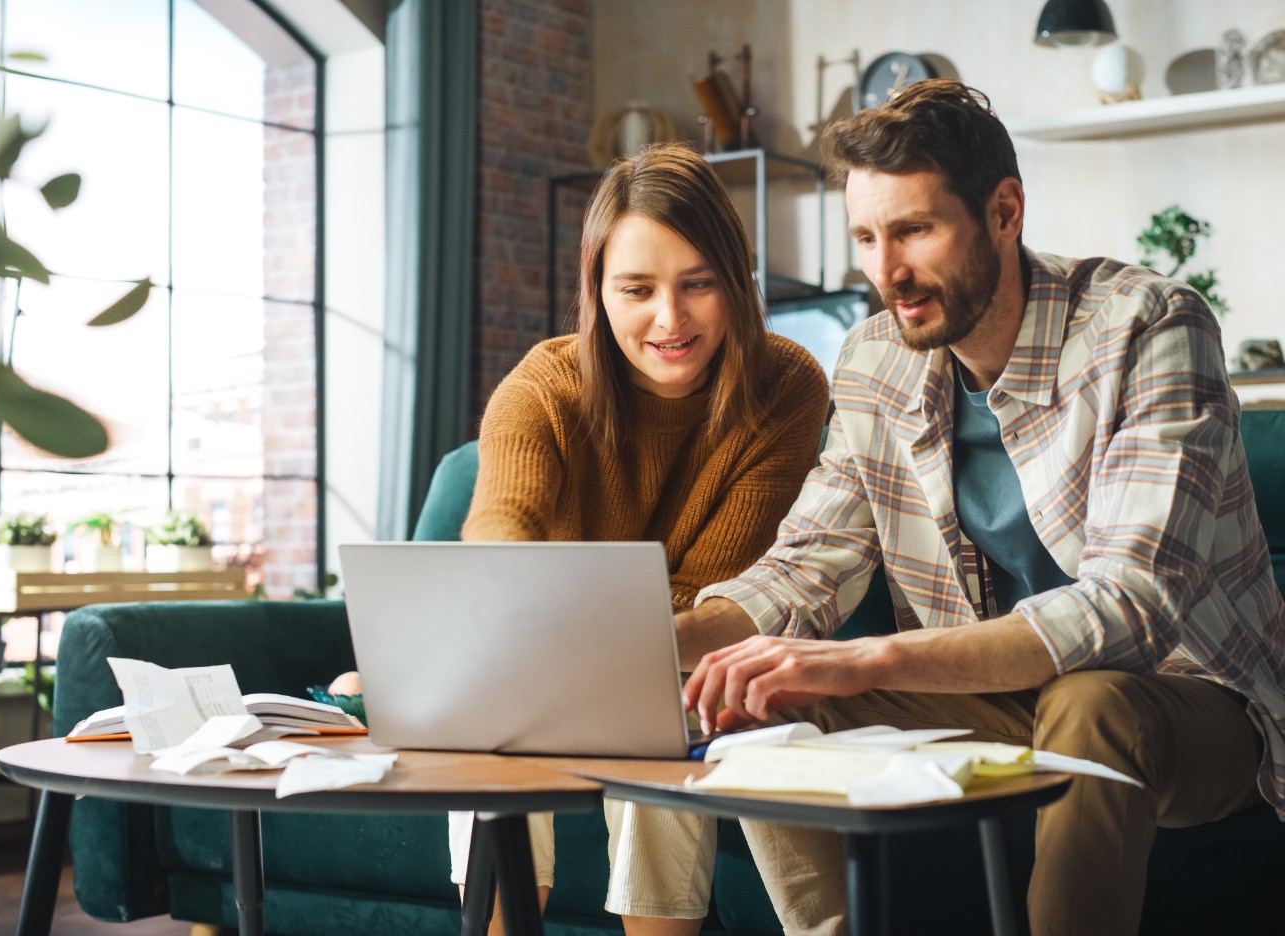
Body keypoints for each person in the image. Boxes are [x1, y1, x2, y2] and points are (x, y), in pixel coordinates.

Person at [677, 79, 1284, 936]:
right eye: (865, 236)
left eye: (914, 231)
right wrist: (647, 647)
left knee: (1094, 702)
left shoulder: (1147, 327)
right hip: (999, 699)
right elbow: (807, 563)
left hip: (1196, 701)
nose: (885, 272)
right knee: (760, 700)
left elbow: (1131, 609)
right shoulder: (875, 359)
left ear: (1005, 212)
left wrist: (870, 660)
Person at [447, 141, 829, 936]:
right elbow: (498, 531)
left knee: (665, 712)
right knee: (495, 725)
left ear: (737, 281)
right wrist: (517, 615)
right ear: (596, 291)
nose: (670, 319)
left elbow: (718, 591)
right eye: (637, 289)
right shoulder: (546, 386)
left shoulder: (787, 386)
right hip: (540, 660)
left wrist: (588, 639)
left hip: (676, 655)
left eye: (699, 284)